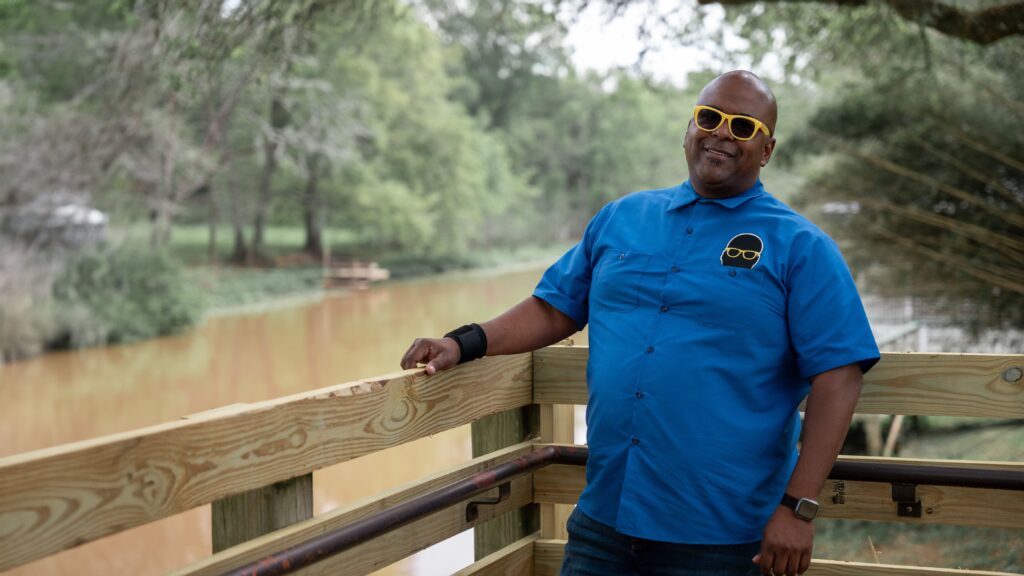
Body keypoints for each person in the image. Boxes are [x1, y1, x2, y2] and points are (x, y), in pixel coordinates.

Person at [400, 70, 879, 576]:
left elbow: (839, 374)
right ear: (689, 128)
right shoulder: (621, 217)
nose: (721, 133)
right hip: (604, 523)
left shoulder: (802, 247)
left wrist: (799, 506)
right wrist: (464, 342)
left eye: (742, 127)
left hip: (722, 537)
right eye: (709, 118)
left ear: (767, 150)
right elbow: (554, 306)